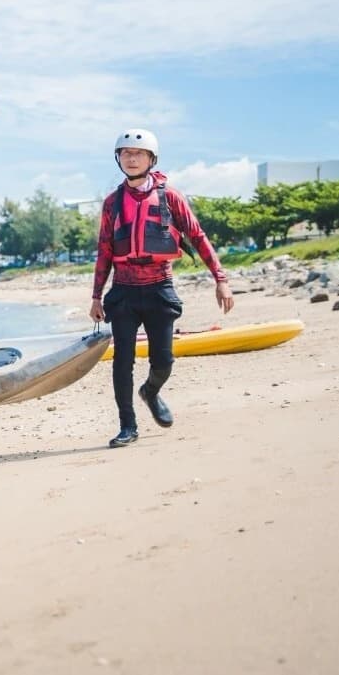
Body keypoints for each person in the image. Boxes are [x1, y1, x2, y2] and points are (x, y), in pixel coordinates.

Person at [89, 129, 234, 448]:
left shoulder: (170, 197)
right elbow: (104, 250)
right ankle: (128, 425)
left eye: (137, 153)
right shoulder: (112, 203)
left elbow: (198, 236)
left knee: (163, 361)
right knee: (121, 360)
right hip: (123, 291)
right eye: (125, 153)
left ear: (151, 159)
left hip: (159, 288)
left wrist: (220, 280)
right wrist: (96, 296)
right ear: (118, 159)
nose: (131, 157)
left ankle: (150, 391)